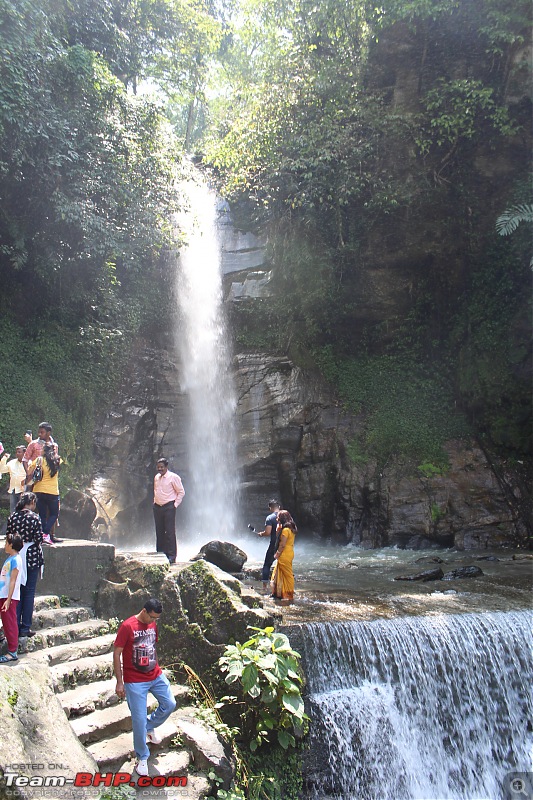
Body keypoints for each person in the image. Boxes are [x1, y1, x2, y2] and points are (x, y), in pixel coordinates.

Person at [113, 598, 177, 777]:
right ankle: (142, 757)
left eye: (157, 618)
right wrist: (120, 681)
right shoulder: (128, 626)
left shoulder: (153, 625)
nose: (154, 621)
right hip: (135, 680)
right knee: (138, 720)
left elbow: (152, 647)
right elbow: (117, 653)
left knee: (170, 704)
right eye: (152, 617)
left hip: (155, 675)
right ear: (144, 611)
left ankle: (148, 726)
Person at [6, 492, 44, 639]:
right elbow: (39, 538)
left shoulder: (13, 517)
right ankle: (25, 627)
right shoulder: (35, 518)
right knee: (28, 592)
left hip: (16, 556)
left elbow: (9, 536)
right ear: (32, 501)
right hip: (32, 557)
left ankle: (14, 625)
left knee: (16, 591)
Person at [28, 442, 62, 544]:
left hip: (38, 490)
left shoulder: (39, 460)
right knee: (54, 514)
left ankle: (43, 535)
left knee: (42, 514)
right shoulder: (57, 460)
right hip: (52, 491)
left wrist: (30, 465)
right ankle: (46, 534)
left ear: (43, 450)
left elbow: (29, 472)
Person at [153, 458, 185, 564]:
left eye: (162, 467)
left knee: (170, 532)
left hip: (169, 507)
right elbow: (156, 490)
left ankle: (172, 556)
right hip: (157, 507)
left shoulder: (174, 477)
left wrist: (175, 505)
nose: (160, 469)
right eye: (158, 467)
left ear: (166, 467)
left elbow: (181, 492)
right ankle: (160, 553)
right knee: (159, 531)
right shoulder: (156, 477)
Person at [0, 532, 24, 663]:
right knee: (5, 620)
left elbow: (13, 581)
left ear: (11, 545)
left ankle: (12, 651)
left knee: (10, 623)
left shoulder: (16, 560)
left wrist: (9, 599)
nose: (5, 545)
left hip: (9, 597)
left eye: (6, 543)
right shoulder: (10, 558)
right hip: (3, 594)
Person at [270, 510, 297, 604]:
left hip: (284, 553)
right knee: (279, 573)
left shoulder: (285, 530)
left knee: (287, 575)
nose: (277, 519)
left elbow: (282, 544)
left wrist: (277, 553)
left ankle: (289, 595)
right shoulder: (291, 528)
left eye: (278, 517)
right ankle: (279, 593)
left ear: (282, 519)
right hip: (289, 552)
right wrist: (278, 531)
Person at [256, 499, 281, 590]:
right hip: (285, 544)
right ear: (279, 506)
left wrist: (261, 534)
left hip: (274, 544)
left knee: (267, 565)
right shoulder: (286, 516)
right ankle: (283, 587)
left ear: (270, 508)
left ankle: (264, 588)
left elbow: (268, 532)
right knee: (282, 565)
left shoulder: (270, 518)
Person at [23, 422, 56, 488]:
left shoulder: (54, 446)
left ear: (48, 433)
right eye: (39, 432)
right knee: (30, 496)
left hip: (47, 480)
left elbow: (55, 462)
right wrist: (28, 474)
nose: (39, 434)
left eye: (42, 432)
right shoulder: (33, 444)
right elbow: (25, 460)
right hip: (33, 479)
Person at [0, 445, 27, 514]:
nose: (17, 454)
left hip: (24, 491)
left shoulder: (28, 463)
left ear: (24, 453)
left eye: (19, 452)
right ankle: (13, 524)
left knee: (23, 511)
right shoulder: (12, 462)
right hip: (13, 490)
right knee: (13, 512)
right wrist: (4, 459)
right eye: (16, 452)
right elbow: (2, 470)